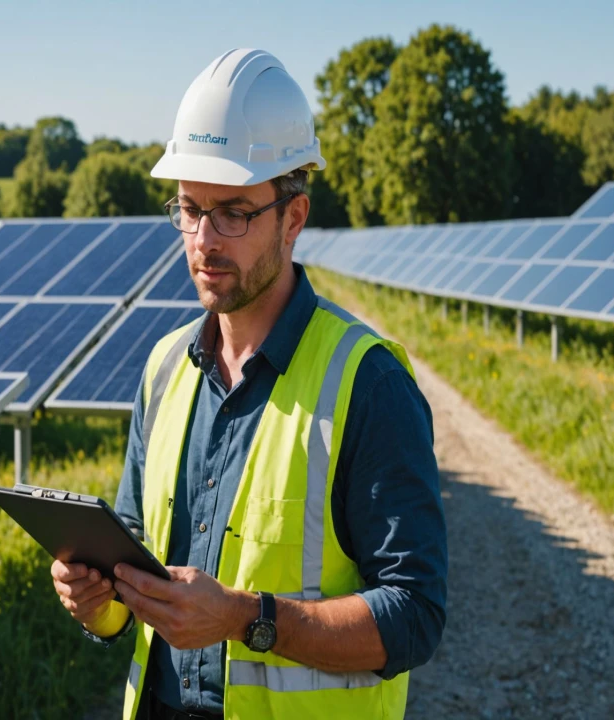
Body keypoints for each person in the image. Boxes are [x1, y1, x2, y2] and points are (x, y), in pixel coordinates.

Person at [51, 48, 447, 720]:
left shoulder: (367, 382)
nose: (205, 240)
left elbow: (414, 614)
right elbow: (132, 563)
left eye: (232, 212)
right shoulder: (163, 368)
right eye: (189, 209)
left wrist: (242, 619)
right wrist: (99, 602)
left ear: (293, 218)